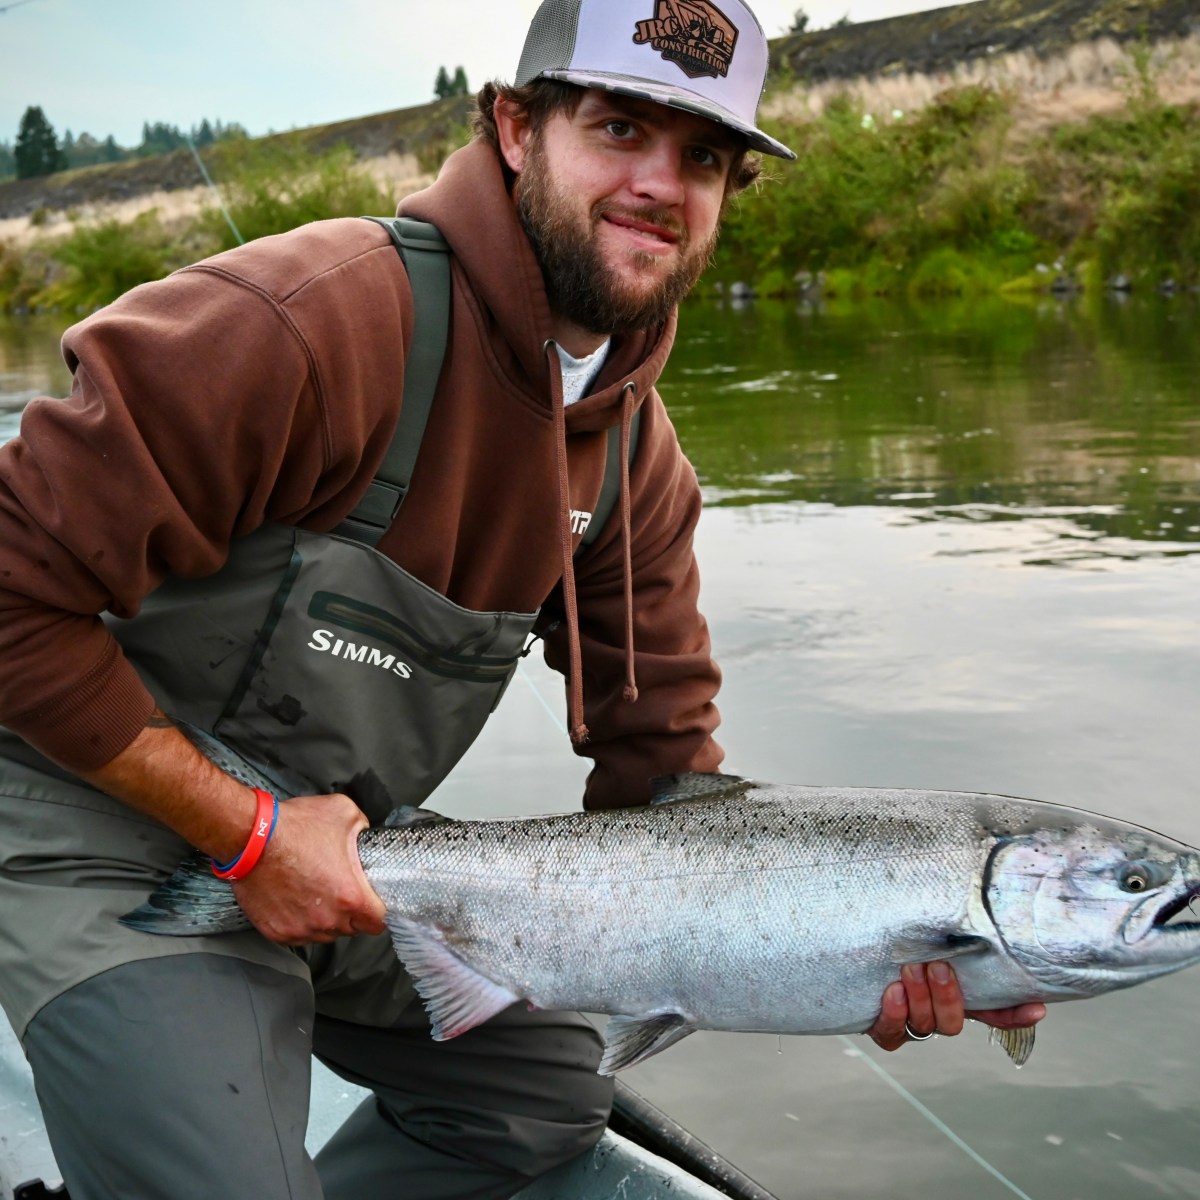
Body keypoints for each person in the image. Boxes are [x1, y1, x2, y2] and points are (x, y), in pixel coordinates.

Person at [0, 1, 1043, 1196]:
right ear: (513, 126)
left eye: (703, 156)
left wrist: (843, 950)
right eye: (617, 127)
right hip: (80, 812)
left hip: (343, 858)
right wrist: (246, 832)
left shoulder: (638, 465)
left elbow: (667, 787)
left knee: (545, 1089)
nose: (660, 182)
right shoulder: (305, 322)